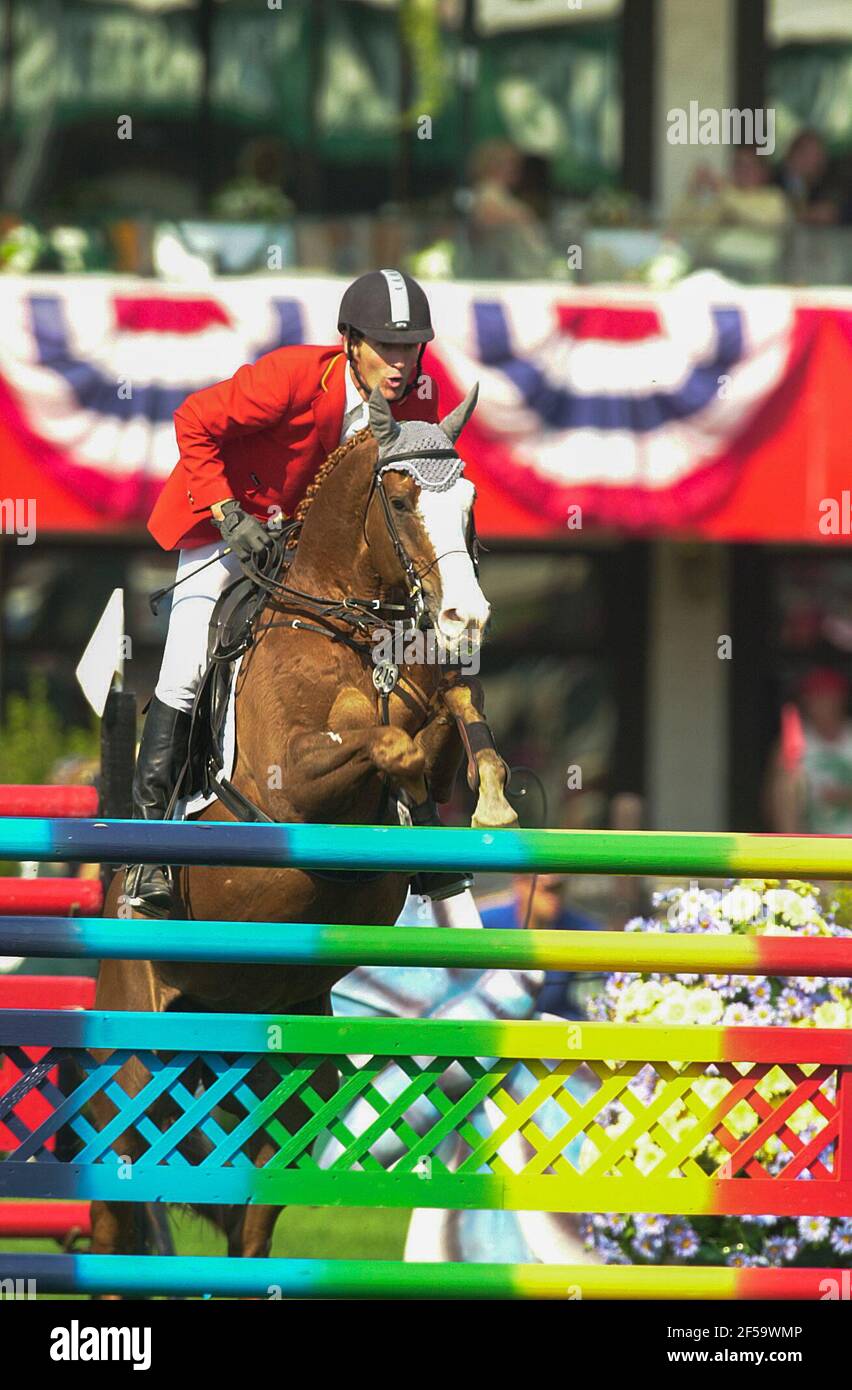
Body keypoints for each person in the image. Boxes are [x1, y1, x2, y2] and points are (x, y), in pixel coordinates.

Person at [126, 268, 461, 915]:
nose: (400, 363)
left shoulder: (419, 399)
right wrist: (227, 513)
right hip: (233, 528)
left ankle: (415, 833)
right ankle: (146, 854)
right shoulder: (290, 378)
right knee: (188, 664)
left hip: (319, 561)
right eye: (385, 348)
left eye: (410, 348)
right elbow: (193, 420)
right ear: (348, 343)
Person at [765, 668, 852, 834]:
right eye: (815, 696)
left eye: (829, 696)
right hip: (811, 838)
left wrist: (845, 795)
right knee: (787, 781)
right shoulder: (794, 740)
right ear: (805, 701)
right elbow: (771, 801)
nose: (822, 703)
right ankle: (792, 850)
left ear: (842, 699)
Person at [772, 130, 838, 226]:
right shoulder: (771, 180)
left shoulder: (822, 184)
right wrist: (805, 215)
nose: (818, 161)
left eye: (820, 155)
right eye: (812, 154)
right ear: (794, 153)